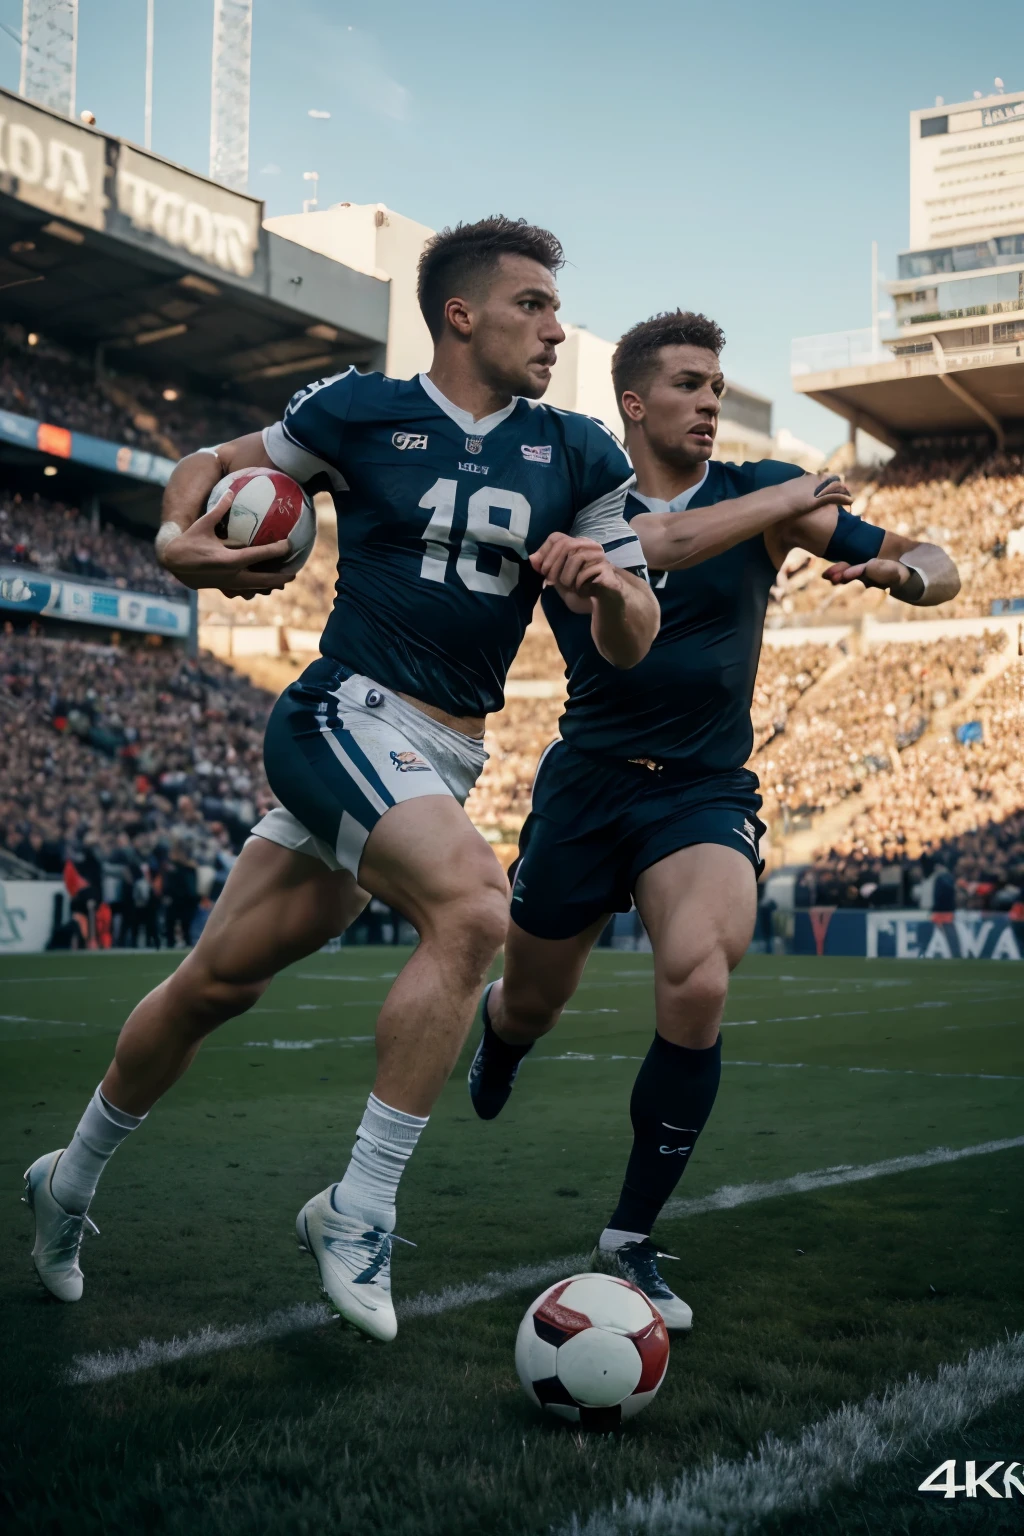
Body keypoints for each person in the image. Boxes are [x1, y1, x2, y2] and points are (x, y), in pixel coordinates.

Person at [23, 216, 661, 1343]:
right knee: (473, 907)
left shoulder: (580, 451)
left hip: (442, 755)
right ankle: (357, 1211)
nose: (558, 330)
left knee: (214, 985)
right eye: (532, 305)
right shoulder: (358, 408)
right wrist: (178, 539)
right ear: (460, 313)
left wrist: (605, 590)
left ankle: (63, 1184)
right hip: (343, 712)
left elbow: (634, 637)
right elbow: (210, 468)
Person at [470, 309, 961, 1329]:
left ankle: (629, 1240)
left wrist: (901, 573)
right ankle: (503, 1034)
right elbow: (667, 548)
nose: (709, 401)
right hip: (586, 784)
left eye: (717, 385)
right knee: (530, 1002)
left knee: (697, 970)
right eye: (689, 385)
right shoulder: (587, 503)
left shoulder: (757, 493)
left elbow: (936, 558)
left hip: (701, 791)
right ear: (636, 404)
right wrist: (790, 497)